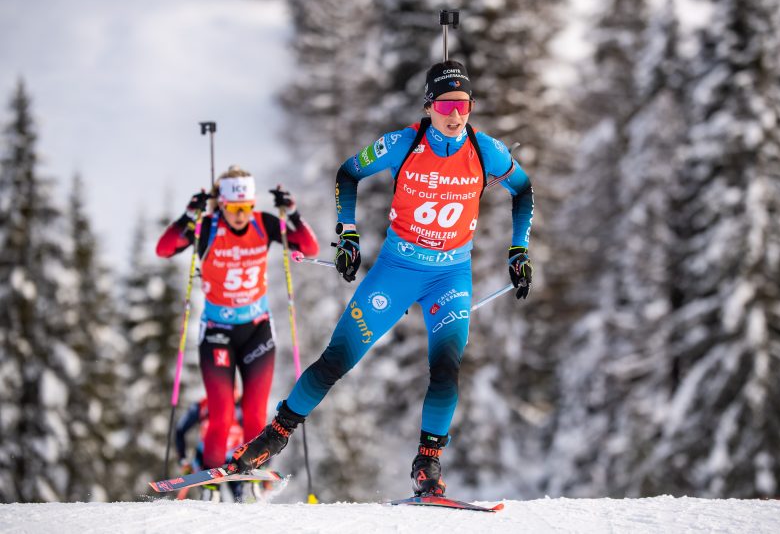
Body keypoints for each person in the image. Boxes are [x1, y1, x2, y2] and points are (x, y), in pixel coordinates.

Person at [224, 60, 534, 497]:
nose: (455, 114)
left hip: (450, 276)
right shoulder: (403, 143)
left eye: (463, 104)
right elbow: (348, 172)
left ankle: (428, 463)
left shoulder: (487, 151)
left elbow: (523, 189)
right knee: (337, 360)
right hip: (397, 271)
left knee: (446, 369)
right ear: (429, 106)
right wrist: (348, 233)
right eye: (445, 104)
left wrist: (518, 248)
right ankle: (273, 437)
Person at [156, 166, 320, 499]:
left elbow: (309, 247)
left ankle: (251, 481)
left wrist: (291, 212)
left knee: (256, 414)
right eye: (234, 208)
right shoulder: (207, 227)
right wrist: (188, 215)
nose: (241, 215)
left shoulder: (264, 223)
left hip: (257, 331)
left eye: (246, 206)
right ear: (222, 204)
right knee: (221, 415)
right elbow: (165, 248)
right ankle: (212, 485)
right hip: (217, 333)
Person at [175, 396, 246, 502]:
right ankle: (211, 500)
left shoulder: (244, 406)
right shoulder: (203, 406)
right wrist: (183, 460)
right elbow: (180, 430)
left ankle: (248, 498)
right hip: (206, 459)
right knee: (212, 499)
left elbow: (261, 435)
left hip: (234, 459)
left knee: (243, 498)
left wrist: (263, 465)